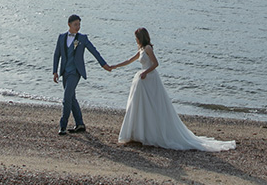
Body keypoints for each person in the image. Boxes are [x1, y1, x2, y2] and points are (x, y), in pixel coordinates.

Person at [108, 27, 236, 151]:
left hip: (150, 79)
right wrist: (114, 66)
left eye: (137, 38)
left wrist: (145, 72)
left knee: (153, 106)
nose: (136, 40)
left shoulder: (148, 48)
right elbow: (129, 60)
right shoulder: (141, 49)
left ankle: (152, 134)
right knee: (140, 107)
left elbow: (156, 64)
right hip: (142, 81)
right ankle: (140, 133)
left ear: (141, 37)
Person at [52, 14, 111, 135]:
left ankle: (62, 126)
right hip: (65, 72)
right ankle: (80, 124)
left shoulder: (82, 38)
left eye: (79, 24)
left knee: (67, 97)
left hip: (75, 72)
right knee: (72, 98)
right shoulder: (61, 37)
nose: (78, 27)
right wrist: (55, 71)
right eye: (75, 24)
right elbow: (57, 54)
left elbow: (94, 51)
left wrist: (104, 64)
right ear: (69, 25)